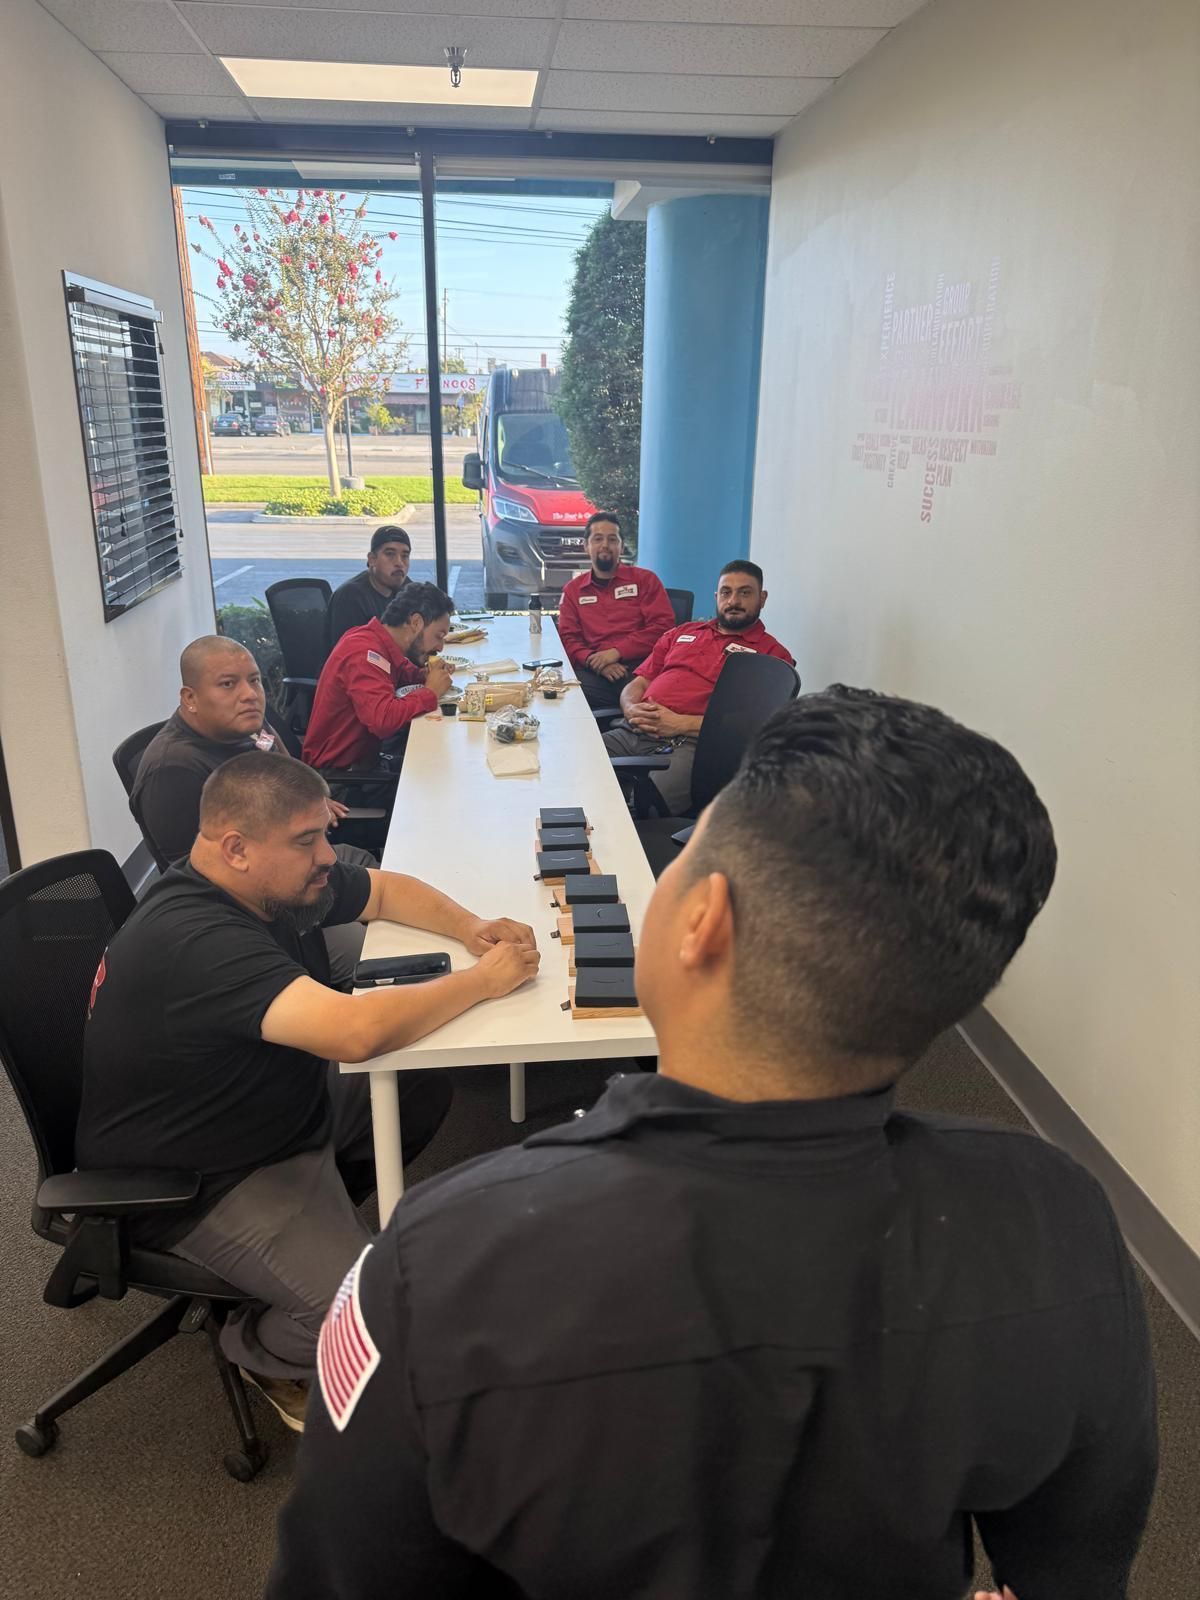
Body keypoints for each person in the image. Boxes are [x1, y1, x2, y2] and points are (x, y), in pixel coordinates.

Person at [267, 689, 1157, 1599]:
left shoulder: (437, 1260)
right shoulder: (1058, 1219)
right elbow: (1076, 1567)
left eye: (683, 857)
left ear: (703, 922)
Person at [78, 752, 539, 1433]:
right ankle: (263, 1351)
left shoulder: (262, 883)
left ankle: (317, 1237)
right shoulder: (197, 936)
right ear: (235, 848)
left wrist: (473, 929)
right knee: (375, 1317)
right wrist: (482, 981)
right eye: (307, 841)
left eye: (324, 834)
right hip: (199, 1178)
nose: (327, 856)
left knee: (415, 1085)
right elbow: (354, 1033)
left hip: (267, 1111)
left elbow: (383, 891)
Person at [130, 634, 374, 985]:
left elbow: (291, 775)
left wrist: (315, 803)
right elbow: (210, 886)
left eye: (254, 680)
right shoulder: (174, 772)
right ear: (190, 699)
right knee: (376, 950)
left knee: (371, 867)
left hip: (299, 859)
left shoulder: (245, 725)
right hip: (267, 912)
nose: (249, 694)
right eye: (228, 684)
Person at [602, 558, 794, 814]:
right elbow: (639, 682)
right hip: (632, 732)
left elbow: (753, 725)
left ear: (762, 598)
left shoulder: (771, 656)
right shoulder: (681, 633)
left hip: (690, 745)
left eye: (745, 593)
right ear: (717, 596)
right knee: (578, 768)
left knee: (645, 811)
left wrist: (681, 723)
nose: (733, 601)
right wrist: (629, 708)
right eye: (726, 592)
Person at [302, 582, 455, 781]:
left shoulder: (375, 642)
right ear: (416, 622)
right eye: (439, 636)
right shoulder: (363, 653)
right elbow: (383, 721)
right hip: (337, 780)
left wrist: (424, 675)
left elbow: (398, 671)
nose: (441, 647)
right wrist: (430, 692)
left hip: (363, 763)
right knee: (437, 780)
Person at [555, 511, 676, 710]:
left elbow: (662, 628)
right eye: (598, 539)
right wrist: (596, 662)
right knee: (559, 694)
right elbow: (568, 638)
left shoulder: (645, 580)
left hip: (642, 671)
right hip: (594, 672)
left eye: (612, 539)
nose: (605, 545)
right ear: (586, 546)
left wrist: (617, 652)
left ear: (621, 545)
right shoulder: (573, 591)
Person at [327, 525, 412, 645]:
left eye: (405, 556)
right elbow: (353, 655)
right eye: (390, 554)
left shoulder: (406, 588)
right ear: (372, 559)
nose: (399, 563)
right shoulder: (350, 597)